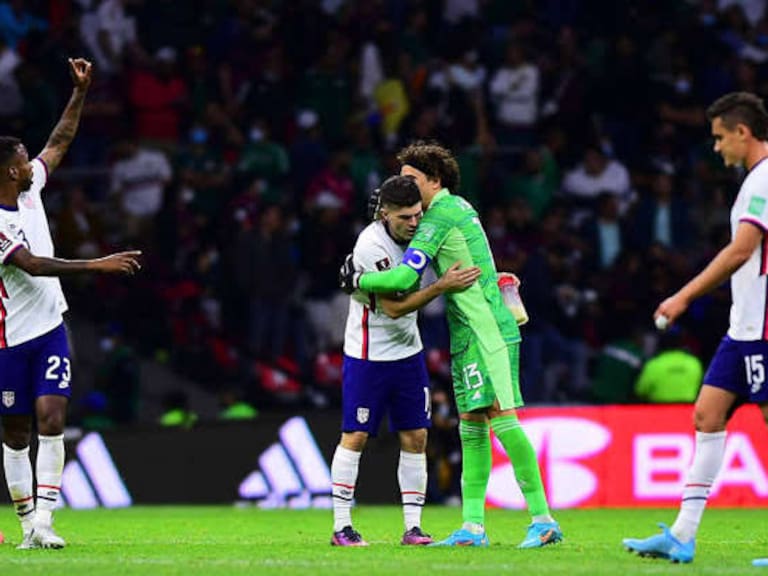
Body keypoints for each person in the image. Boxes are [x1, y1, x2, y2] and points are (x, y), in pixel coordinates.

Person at [339, 141, 563, 548]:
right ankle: (473, 526)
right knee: (472, 428)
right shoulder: (454, 210)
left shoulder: (439, 216)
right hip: (467, 332)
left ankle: (543, 519)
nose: (402, 185)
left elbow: (402, 281)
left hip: (485, 330)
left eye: (411, 179)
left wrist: (356, 280)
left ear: (434, 181)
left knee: (502, 418)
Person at [0, 58, 142, 550]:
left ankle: (44, 522)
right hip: (8, 341)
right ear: (9, 171)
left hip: (48, 329)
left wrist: (80, 92)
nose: (32, 161)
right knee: (16, 434)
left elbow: (59, 141)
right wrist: (94, 266)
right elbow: (34, 265)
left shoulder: (31, 187)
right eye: (23, 157)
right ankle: (24, 527)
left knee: (53, 420)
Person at [623, 91, 768, 563]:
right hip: (742, 328)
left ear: (742, 133)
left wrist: (683, 295)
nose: (716, 147)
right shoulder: (753, 181)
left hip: (764, 329)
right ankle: (683, 535)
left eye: (719, 137)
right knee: (706, 415)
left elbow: (741, 250)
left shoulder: (765, 179)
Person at [331, 175, 480, 547]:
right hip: (369, 353)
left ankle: (413, 527)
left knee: (416, 436)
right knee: (357, 435)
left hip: (408, 353)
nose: (414, 223)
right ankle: (341, 526)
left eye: (417, 215)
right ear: (385, 214)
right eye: (405, 218)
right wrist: (440, 286)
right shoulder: (369, 246)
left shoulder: (423, 232)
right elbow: (396, 308)